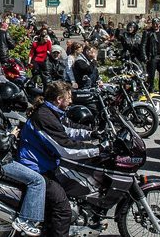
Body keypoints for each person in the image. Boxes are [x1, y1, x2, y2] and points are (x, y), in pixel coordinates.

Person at [21, 81, 103, 236]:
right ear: (59, 99)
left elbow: (67, 130)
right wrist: (99, 149)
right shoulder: (44, 116)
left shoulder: (52, 112)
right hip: (36, 166)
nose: (71, 100)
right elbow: (66, 148)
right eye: (69, 97)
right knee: (63, 209)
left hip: (46, 162)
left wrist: (92, 133)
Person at [0, 81, 43, 236]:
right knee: (38, 181)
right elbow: (0, 146)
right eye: (10, 100)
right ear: (4, 99)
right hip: (0, 161)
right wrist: (12, 135)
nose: (12, 104)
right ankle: (26, 220)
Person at [140, 17, 160, 94]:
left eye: (157, 23)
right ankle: (150, 88)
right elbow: (143, 45)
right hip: (152, 56)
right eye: (154, 23)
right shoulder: (148, 32)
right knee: (151, 74)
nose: (156, 25)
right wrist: (144, 56)